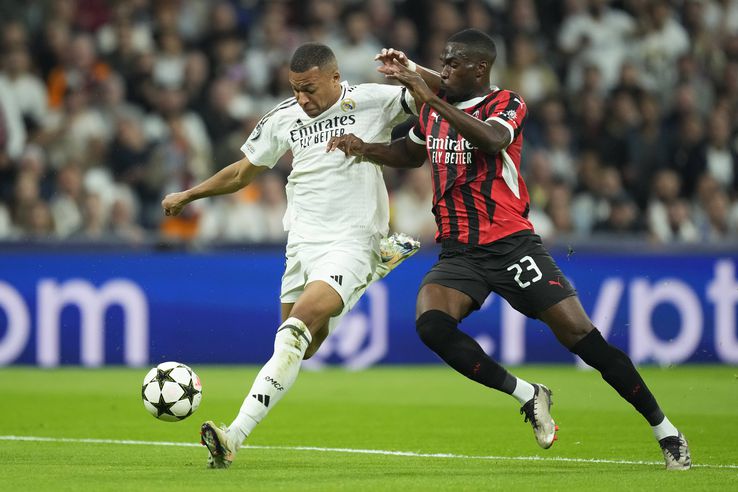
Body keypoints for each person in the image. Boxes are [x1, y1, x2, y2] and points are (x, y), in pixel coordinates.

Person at [328, 29, 691, 471]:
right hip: (460, 253)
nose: (443, 69)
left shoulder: (507, 102)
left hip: (511, 246)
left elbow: (493, 141)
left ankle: (666, 430)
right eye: (441, 61)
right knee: (432, 326)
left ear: (479, 68)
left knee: (582, 338)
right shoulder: (434, 112)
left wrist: (426, 92)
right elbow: (410, 152)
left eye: (452, 62)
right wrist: (364, 148)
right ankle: (528, 394)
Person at [161, 42, 422, 469]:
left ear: (335, 78)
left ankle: (233, 436)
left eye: (310, 89)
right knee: (304, 347)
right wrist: (191, 195)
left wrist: (411, 68)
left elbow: (435, 93)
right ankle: (379, 264)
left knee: (294, 330)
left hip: (351, 239)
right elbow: (243, 171)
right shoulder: (284, 117)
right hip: (302, 244)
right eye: (296, 89)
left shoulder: (374, 100)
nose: (303, 98)